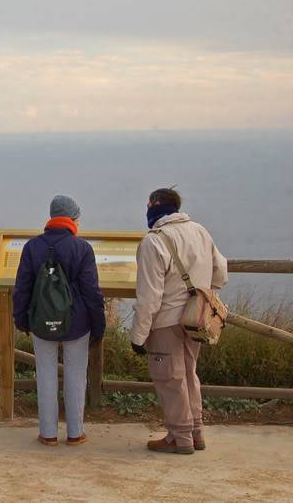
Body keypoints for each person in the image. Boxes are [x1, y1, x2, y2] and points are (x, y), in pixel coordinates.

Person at [131, 188, 228, 454]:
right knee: (189, 374)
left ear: (154, 205)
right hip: (195, 318)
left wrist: (138, 336)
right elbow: (221, 271)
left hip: (166, 322)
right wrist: (202, 290)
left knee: (170, 379)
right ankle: (196, 432)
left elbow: (149, 297)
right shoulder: (199, 231)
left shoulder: (154, 241)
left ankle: (180, 437)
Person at [12, 195, 106, 446]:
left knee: (45, 374)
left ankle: (48, 433)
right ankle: (75, 433)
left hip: (41, 321)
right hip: (77, 323)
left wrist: (21, 319)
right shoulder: (82, 248)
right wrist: (99, 325)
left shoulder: (32, 247)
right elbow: (92, 292)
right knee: (76, 376)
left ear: (52, 218)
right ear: (73, 218)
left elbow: (22, 288)